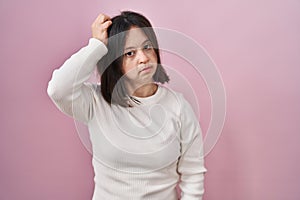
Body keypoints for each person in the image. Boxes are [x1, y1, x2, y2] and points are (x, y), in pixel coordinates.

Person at [47, 11, 206, 200]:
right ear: (114, 62)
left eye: (147, 47)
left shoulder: (178, 107)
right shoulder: (96, 102)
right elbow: (58, 89)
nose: (143, 58)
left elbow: (193, 173)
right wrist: (96, 46)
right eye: (130, 53)